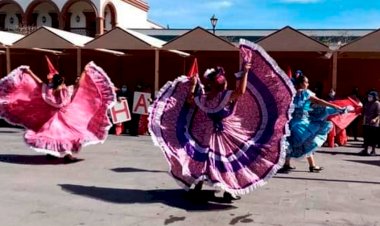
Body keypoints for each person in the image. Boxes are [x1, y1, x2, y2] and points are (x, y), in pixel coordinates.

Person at [149, 39, 295, 202]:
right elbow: (241, 91)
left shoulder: (204, 98)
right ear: (222, 84)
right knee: (228, 163)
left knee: (204, 160)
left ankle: (198, 187)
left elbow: (190, 100)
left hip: (206, 133)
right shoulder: (223, 96)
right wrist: (245, 72)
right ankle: (228, 190)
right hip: (225, 134)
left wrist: (192, 86)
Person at [0, 62, 116, 163]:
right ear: (62, 82)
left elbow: (39, 83)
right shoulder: (66, 91)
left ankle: (52, 153)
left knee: (53, 135)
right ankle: (67, 155)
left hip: (52, 118)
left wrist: (30, 72)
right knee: (68, 135)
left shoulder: (48, 92)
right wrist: (84, 72)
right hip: (66, 117)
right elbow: (78, 86)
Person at [280, 75, 344, 173]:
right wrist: (334, 106)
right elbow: (319, 101)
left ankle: (287, 164)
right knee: (308, 141)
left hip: (291, 122)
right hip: (303, 123)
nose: (308, 84)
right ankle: (312, 166)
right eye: (306, 82)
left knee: (291, 142)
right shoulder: (305, 93)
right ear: (301, 83)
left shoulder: (290, 92)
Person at [359, 91, 380, 156]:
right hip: (366, 122)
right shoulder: (367, 103)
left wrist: (375, 119)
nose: (369, 97)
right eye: (368, 96)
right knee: (366, 137)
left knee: (373, 138)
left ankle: (373, 151)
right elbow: (365, 112)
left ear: (374, 97)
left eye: (370, 96)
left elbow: (379, 114)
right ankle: (365, 150)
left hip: (374, 124)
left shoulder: (377, 103)